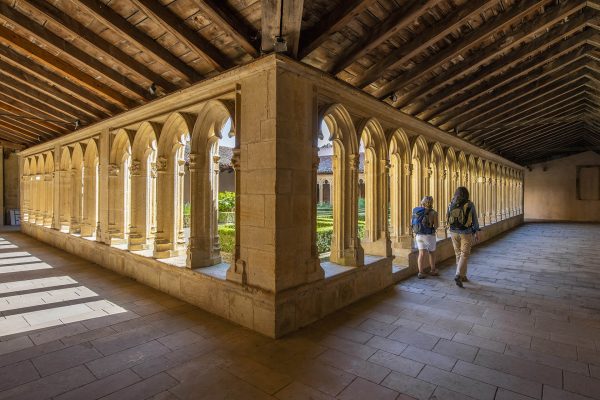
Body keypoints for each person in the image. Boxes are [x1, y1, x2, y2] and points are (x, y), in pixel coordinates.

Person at [447, 186, 480, 288]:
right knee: (464, 254)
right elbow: (474, 219)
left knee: (458, 254)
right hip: (466, 232)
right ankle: (458, 274)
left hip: (453, 231)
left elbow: (447, 216)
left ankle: (463, 275)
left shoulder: (451, 203)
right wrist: (476, 231)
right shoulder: (470, 204)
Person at [411, 196, 439, 279]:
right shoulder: (433, 213)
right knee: (431, 253)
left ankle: (420, 272)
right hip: (429, 235)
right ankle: (433, 270)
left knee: (421, 253)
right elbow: (436, 226)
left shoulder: (416, 211)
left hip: (419, 235)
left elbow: (412, 222)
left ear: (422, 202)